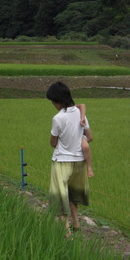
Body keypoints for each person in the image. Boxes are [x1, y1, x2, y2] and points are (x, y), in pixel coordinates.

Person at [46, 82, 91, 238]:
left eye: (53, 101)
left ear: (57, 100)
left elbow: (53, 142)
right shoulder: (81, 114)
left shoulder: (58, 118)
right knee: (72, 195)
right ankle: (76, 224)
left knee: (60, 197)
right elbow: (90, 137)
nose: (53, 104)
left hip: (61, 162)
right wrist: (81, 140)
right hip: (79, 161)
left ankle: (66, 233)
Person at [76, 104, 94, 178]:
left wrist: (82, 117)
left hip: (80, 134)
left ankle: (89, 168)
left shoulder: (75, 109)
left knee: (86, 147)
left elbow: (82, 105)